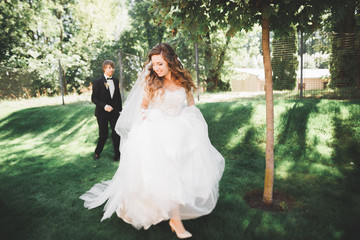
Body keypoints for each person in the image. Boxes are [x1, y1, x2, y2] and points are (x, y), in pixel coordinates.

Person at [80, 43, 225, 239]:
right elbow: (143, 106)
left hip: (180, 129)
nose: (156, 68)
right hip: (157, 129)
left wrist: (191, 123)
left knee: (184, 170)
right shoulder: (151, 83)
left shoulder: (184, 81)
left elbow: (191, 105)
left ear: (171, 61)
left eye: (160, 64)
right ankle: (176, 221)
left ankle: (175, 209)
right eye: (154, 64)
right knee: (168, 170)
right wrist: (145, 118)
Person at [91, 60, 122, 161]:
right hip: (102, 113)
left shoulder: (116, 81)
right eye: (109, 67)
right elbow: (94, 98)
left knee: (116, 133)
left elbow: (117, 97)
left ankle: (117, 155)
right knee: (103, 134)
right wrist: (104, 106)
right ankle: (97, 152)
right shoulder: (97, 82)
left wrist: (120, 110)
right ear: (104, 69)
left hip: (114, 112)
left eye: (112, 67)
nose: (112, 69)